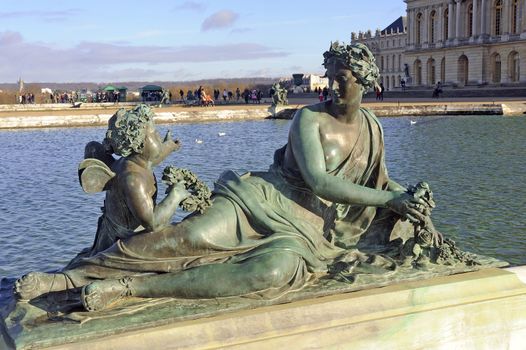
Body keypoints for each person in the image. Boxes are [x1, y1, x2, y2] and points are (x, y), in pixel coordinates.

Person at [15, 42, 440, 312]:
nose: (331, 87)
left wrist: (409, 195)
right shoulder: (308, 119)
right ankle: (67, 279)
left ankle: (130, 288)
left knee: (270, 275)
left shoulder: (372, 127)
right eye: (330, 78)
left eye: (342, 81)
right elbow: (320, 181)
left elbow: (380, 182)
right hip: (266, 200)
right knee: (187, 237)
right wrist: (389, 200)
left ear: (365, 82)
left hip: (313, 232)